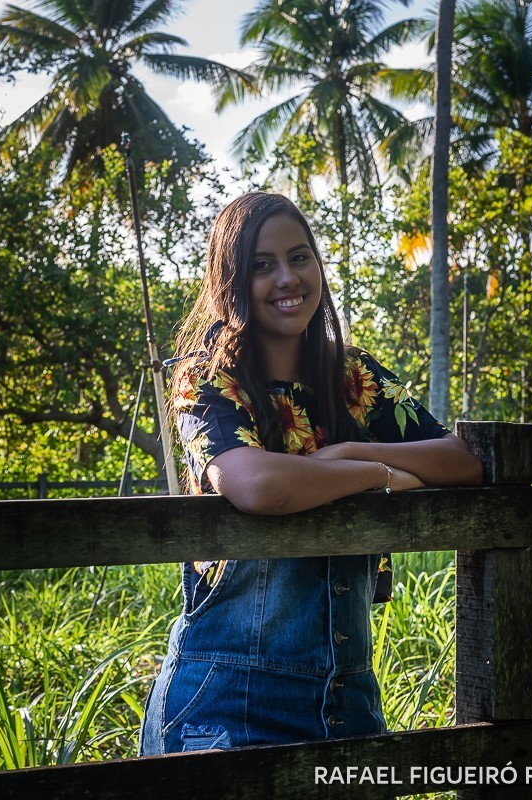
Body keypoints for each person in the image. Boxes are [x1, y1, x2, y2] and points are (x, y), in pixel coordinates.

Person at [138, 191, 482, 755]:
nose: (287, 278)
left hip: (346, 699)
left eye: (300, 257)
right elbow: (255, 485)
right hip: (227, 703)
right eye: (261, 265)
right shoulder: (207, 379)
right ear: (230, 280)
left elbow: (460, 460)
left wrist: (343, 453)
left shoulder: (352, 375)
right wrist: (375, 473)